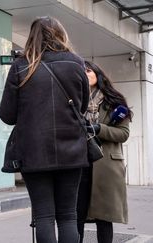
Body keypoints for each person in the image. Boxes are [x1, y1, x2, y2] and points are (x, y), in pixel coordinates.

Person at [0, 16, 90, 243]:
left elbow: (7, 115)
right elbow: (83, 107)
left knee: (44, 215)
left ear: (32, 37)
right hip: (72, 149)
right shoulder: (76, 63)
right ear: (61, 34)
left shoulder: (21, 66)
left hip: (34, 152)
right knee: (69, 215)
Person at [77, 61, 131, 243]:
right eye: (81, 71)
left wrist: (98, 128)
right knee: (77, 215)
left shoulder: (114, 101)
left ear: (98, 74)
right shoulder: (74, 98)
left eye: (88, 70)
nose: (85, 73)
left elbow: (123, 134)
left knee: (104, 218)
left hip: (106, 165)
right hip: (79, 162)